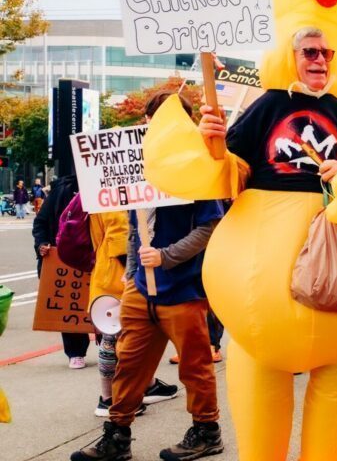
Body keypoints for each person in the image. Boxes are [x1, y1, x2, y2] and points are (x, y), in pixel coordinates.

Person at [145, 23, 337, 460]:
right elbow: (229, 170)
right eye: (310, 52)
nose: (319, 60)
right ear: (293, 57)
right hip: (261, 295)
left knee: (333, 423)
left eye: (326, 53)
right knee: (260, 427)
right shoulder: (268, 106)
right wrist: (210, 142)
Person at [72, 92, 225, 461]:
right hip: (141, 290)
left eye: (163, 121)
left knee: (195, 366)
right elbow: (132, 227)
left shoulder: (197, 168)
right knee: (129, 364)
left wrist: (166, 257)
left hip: (183, 289)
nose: (153, 127)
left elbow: (210, 226)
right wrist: (131, 274)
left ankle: (207, 431)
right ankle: (117, 435)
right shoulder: (138, 166)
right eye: (150, 120)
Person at [88, 208, 178, 418]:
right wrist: (135, 275)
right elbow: (121, 241)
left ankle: (145, 386)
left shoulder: (100, 197)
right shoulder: (116, 201)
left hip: (105, 272)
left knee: (122, 338)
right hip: (119, 277)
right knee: (116, 340)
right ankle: (109, 398)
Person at [32, 173, 90, 368]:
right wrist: (42, 243)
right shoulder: (61, 191)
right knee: (71, 303)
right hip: (64, 258)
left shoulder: (105, 191)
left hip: (98, 255)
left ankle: (111, 347)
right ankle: (75, 351)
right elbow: (40, 223)